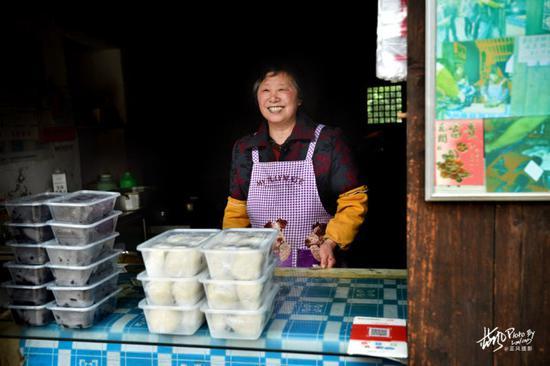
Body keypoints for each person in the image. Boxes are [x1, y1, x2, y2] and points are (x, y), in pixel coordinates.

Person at [222, 66, 368, 268]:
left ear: (299, 98)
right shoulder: (245, 148)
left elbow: (353, 201)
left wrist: (332, 241)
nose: (273, 98)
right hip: (262, 270)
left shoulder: (328, 141)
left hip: (321, 266)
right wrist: (232, 252)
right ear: (257, 99)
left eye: (282, 89)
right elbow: (236, 211)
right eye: (265, 91)